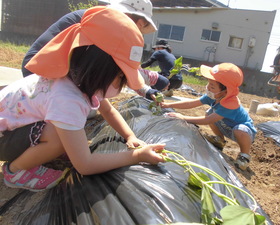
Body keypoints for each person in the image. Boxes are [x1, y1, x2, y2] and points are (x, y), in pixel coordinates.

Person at [0, 6, 165, 192]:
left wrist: (130, 136)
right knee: (59, 136)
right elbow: (85, 165)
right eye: (120, 77)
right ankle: (15, 171)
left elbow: (108, 110)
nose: (121, 85)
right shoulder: (67, 98)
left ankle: (42, 151)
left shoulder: (77, 78)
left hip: (13, 129)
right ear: (99, 68)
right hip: (3, 139)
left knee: (67, 130)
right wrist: (136, 156)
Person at [21, 0, 160, 100]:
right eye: (140, 27)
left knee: (91, 99)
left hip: (60, 72)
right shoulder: (98, 23)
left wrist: (144, 89)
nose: (138, 32)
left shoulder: (108, 25)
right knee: (79, 106)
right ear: (132, 19)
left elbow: (124, 65)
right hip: (41, 69)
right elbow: (117, 67)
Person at [161, 63, 256, 170]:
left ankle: (244, 156)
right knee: (209, 112)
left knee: (240, 129)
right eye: (208, 84)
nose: (208, 88)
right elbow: (191, 103)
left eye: (212, 86)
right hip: (226, 126)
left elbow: (208, 120)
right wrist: (168, 104)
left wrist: (183, 117)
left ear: (225, 91)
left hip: (244, 134)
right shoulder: (214, 95)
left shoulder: (230, 104)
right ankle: (219, 140)